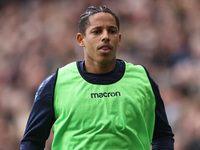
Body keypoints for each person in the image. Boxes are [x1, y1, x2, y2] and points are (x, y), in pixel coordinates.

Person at [20, 6, 174, 150]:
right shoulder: (56, 83)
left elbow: (162, 135)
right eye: (97, 31)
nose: (106, 36)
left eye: (112, 31)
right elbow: (32, 141)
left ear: (119, 39)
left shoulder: (142, 79)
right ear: (81, 40)